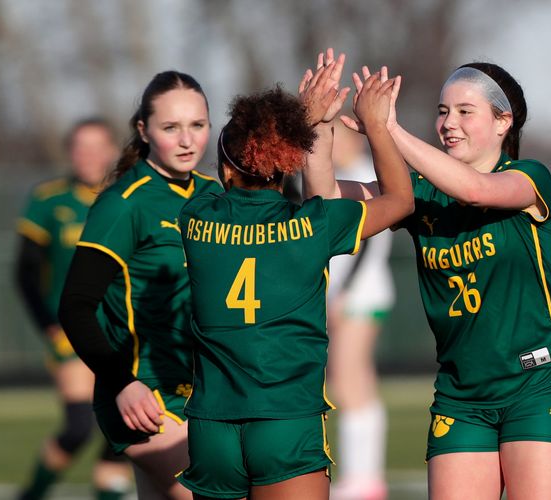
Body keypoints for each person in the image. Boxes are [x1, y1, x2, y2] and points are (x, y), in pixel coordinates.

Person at [304, 62, 551, 500]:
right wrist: (317, 128)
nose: (448, 123)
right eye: (442, 111)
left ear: (503, 122)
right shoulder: (419, 191)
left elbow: (475, 190)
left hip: (536, 385)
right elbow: (326, 202)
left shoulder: (529, 178)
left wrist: (387, 129)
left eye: (464, 111)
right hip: (461, 393)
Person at [175, 51, 413, 500]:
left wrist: (296, 125)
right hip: (287, 421)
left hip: (211, 425)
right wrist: (374, 127)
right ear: (288, 165)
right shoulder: (314, 225)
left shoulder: (195, 218)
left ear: (224, 169)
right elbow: (400, 200)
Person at [58, 71, 222, 499]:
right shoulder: (124, 204)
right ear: (143, 130)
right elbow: (75, 306)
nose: (186, 140)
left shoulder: (215, 197)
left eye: (197, 125)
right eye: (171, 127)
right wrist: (121, 383)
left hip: (205, 391)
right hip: (143, 395)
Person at [16, 118, 132, 500]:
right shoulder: (49, 199)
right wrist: (48, 325)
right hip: (70, 333)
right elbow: (25, 272)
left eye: (97, 146)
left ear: (112, 151)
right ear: (70, 152)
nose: (89, 155)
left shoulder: (128, 199)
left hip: (121, 333)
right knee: (79, 427)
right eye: (81, 147)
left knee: (122, 431)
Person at [326, 121, 394, 500]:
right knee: (358, 383)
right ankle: (366, 479)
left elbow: (368, 242)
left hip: (360, 298)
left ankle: (360, 479)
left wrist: (343, 294)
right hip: (361, 296)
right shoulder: (353, 172)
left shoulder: (363, 173)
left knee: (348, 382)